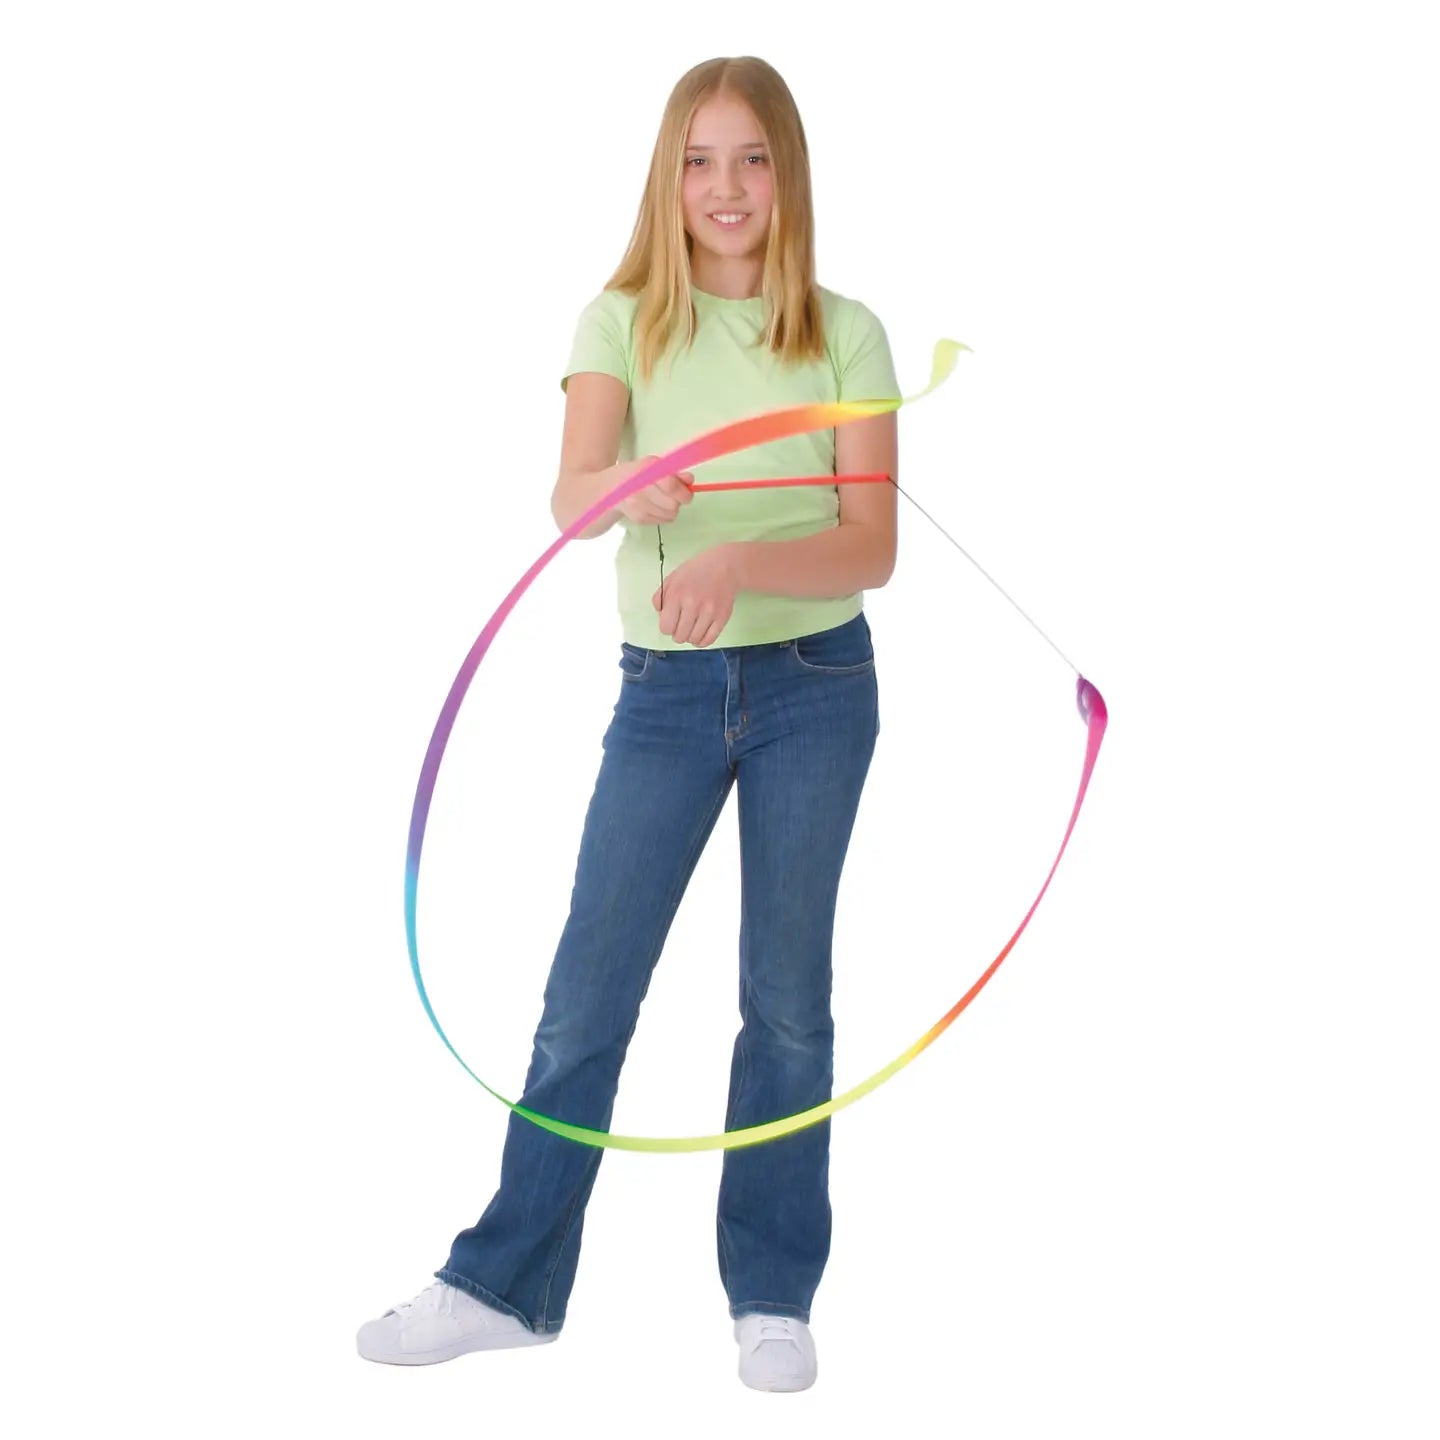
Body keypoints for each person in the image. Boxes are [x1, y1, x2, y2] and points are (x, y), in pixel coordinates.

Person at [357, 54, 902, 1394]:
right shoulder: (619, 323)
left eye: (753, 158)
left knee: (788, 1006)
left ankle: (772, 1295)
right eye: (699, 161)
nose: (727, 187)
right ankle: (506, 1283)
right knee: (587, 995)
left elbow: (871, 547)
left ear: (788, 175)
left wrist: (740, 561)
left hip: (818, 688)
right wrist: (624, 489)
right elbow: (572, 496)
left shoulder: (847, 334)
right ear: (669, 177)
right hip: (665, 693)